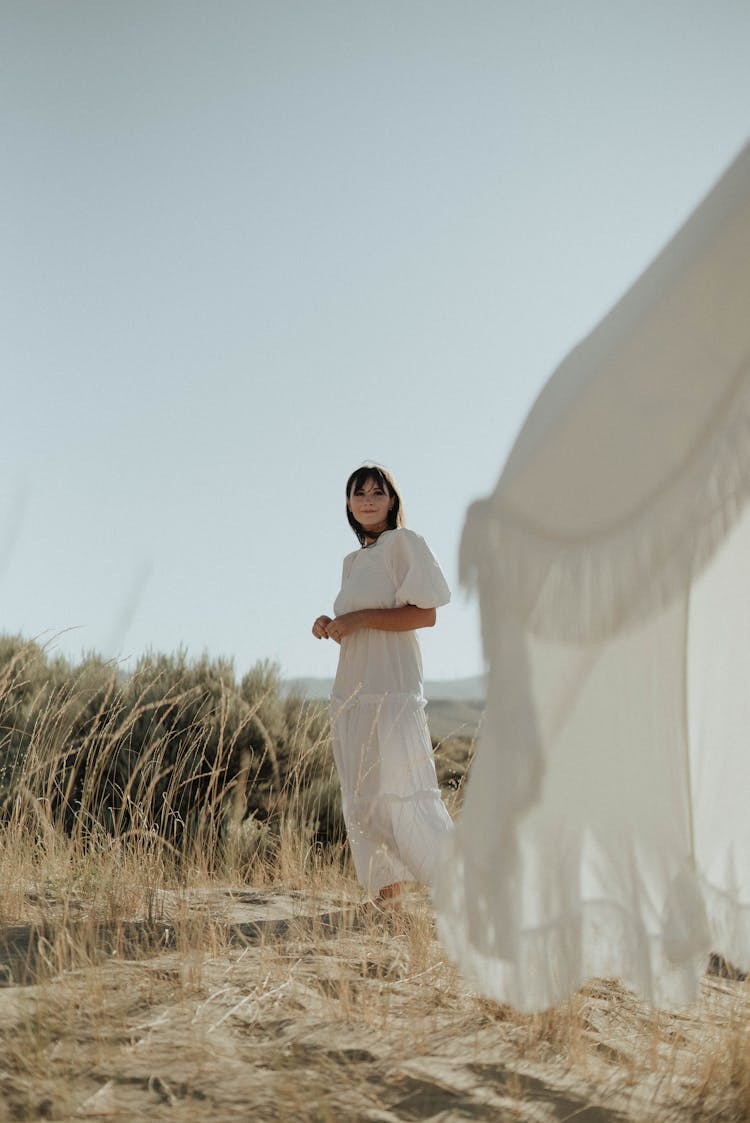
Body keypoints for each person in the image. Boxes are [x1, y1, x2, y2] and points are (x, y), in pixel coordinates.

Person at [312, 464, 453, 906]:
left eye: (377, 492)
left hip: (391, 687)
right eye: (359, 493)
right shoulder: (352, 562)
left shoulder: (403, 544)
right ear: (349, 504)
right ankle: (385, 900)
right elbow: (356, 621)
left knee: (405, 791)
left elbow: (424, 614)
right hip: (353, 689)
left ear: (392, 501)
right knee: (362, 794)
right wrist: (330, 625)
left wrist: (359, 619)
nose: (368, 500)